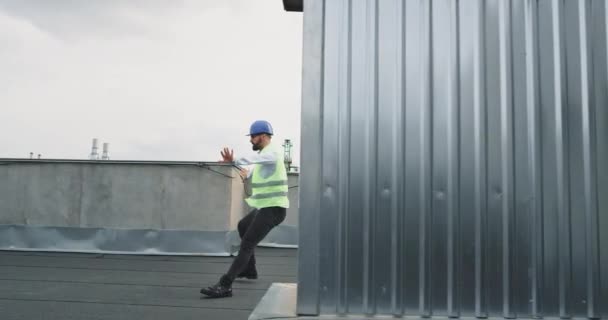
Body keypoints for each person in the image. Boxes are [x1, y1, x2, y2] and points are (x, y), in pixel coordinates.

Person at [200, 120, 289, 298]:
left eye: (253, 137)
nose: (251, 140)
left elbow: (258, 159)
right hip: (266, 206)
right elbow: (251, 172)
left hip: (274, 208)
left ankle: (225, 286)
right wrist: (233, 165)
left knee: (247, 243)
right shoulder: (265, 155)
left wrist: (237, 159)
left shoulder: (273, 152)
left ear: (263, 136)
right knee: (242, 226)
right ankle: (250, 270)